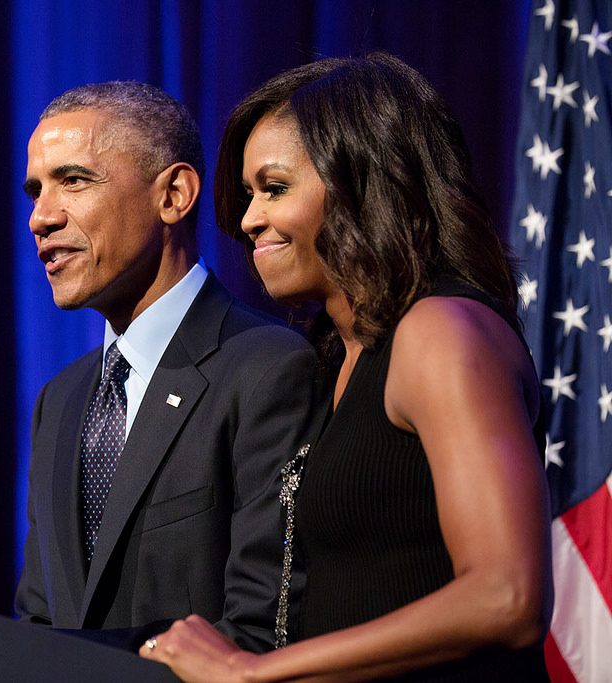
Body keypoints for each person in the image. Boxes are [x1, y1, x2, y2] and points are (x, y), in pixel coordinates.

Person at [139, 53, 553, 681]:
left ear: (364, 182)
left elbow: (507, 597)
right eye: (250, 195)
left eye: (273, 188)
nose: (248, 220)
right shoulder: (341, 358)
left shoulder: (442, 332)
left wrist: (250, 674)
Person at [0, 81, 330, 652]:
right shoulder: (59, 401)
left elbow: (266, 632)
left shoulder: (267, 369)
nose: (40, 218)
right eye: (34, 191)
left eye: (73, 180)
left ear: (174, 195)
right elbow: (50, 637)